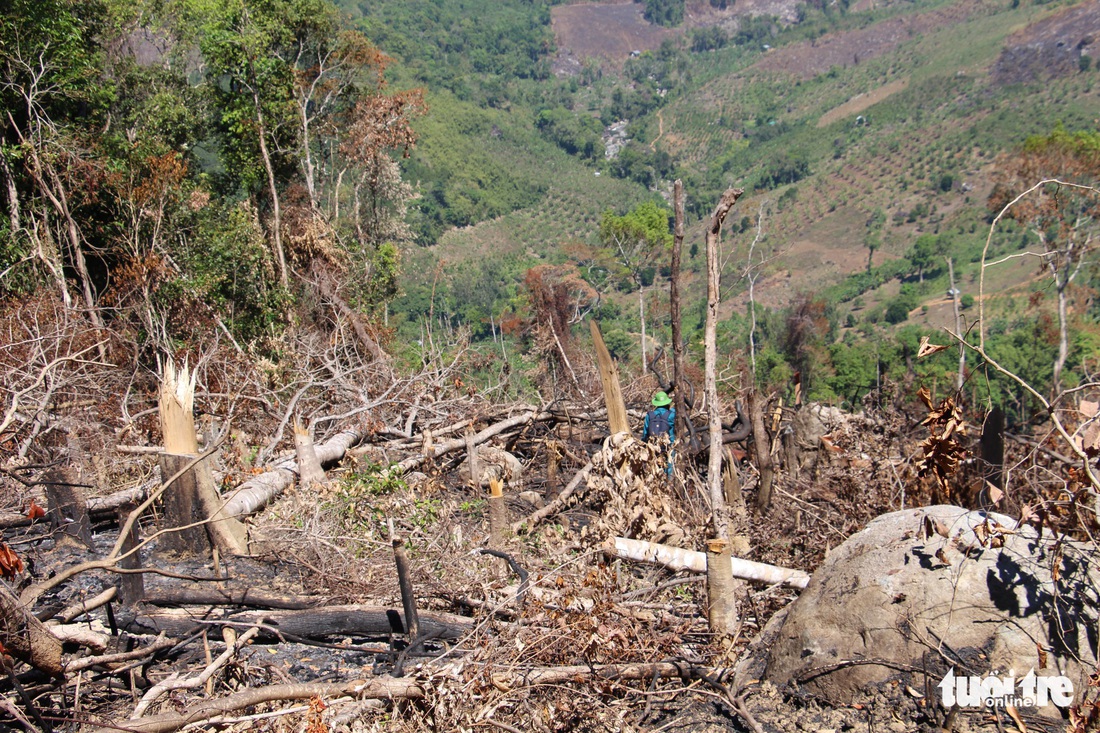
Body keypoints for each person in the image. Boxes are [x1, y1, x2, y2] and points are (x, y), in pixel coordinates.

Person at [643, 391, 676, 475]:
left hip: (653, 447)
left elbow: (645, 434)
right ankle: (669, 484)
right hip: (669, 447)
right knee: (669, 469)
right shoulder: (672, 414)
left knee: (654, 470)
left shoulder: (649, 415)